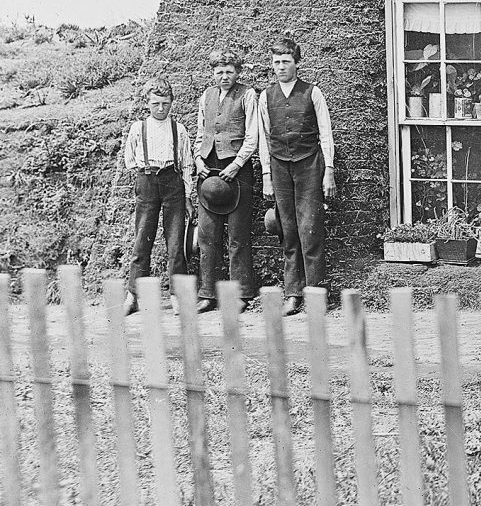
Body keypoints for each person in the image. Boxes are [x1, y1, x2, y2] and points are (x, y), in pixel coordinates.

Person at [258, 38, 336, 316]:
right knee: (288, 231)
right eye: (276, 62)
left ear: (296, 63)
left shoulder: (313, 93)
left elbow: (325, 134)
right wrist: (267, 175)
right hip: (280, 168)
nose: (281, 67)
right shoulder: (265, 96)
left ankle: (316, 294)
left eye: (286, 62)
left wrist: (329, 172)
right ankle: (292, 294)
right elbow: (264, 139)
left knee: (310, 230)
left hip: (309, 165)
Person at [193, 49, 261, 313]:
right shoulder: (207, 96)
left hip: (237, 169)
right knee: (208, 235)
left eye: (229, 72)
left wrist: (236, 165)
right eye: (219, 72)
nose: (224, 76)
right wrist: (198, 159)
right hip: (209, 168)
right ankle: (208, 293)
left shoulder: (247, 95)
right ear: (213, 73)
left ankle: (241, 293)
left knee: (238, 235)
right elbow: (201, 131)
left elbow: (252, 136)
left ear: (238, 72)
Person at [122, 79, 194, 315]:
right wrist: (146, 173)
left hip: (173, 182)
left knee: (175, 243)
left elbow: (186, 164)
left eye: (165, 103)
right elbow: (129, 159)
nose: (161, 108)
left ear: (172, 102)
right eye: (156, 103)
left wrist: (188, 195)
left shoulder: (179, 129)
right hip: (147, 181)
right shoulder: (138, 128)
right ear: (147, 104)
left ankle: (177, 295)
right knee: (142, 239)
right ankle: (133, 295)